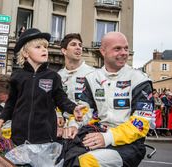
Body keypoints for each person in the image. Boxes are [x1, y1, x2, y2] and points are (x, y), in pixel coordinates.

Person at [63, 32, 155, 167]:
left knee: (86, 162)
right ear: (103, 51)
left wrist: (107, 137)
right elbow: (86, 112)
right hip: (97, 134)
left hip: (129, 145)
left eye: (126, 48)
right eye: (117, 48)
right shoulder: (91, 78)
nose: (124, 53)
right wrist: (73, 126)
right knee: (64, 155)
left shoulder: (140, 80)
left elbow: (140, 124)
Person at [0, 28, 84, 146]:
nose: (44, 50)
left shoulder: (53, 76)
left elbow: (61, 99)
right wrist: (0, 120)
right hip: (19, 138)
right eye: (38, 47)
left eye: (45, 47)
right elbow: (11, 103)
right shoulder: (17, 76)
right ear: (26, 53)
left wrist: (73, 108)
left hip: (45, 138)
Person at [57, 33, 95, 134]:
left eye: (80, 45)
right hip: (61, 129)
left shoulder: (92, 74)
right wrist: (58, 116)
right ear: (64, 50)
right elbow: (55, 101)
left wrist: (73, 124)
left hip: (85, 128)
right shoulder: (58, 76)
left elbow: (94, 107)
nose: (78, 48)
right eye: (73, 45)